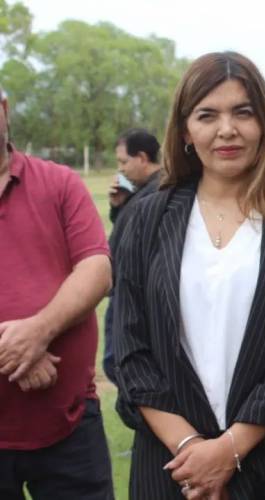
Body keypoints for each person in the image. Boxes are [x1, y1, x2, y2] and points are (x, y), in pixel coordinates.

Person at [113, 51, 265, 499]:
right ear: (185, 132)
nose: (227, 130)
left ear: (264, 124)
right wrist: (193, 451)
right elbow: (130, 351)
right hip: (170, 468)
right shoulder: (144, 218)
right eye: (207, 115)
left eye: (243, 112)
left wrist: (228, 451)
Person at [0, 87, 114, 498]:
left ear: (4, 109)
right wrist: (15, 352)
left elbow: (96, 268)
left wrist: (39, 331)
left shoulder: (59, 183)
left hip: (70, 426)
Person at [102, 128, 162, 383]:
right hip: (125, 291)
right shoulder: (143, 192)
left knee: (123, 366)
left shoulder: (159, 193)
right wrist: (120, 206)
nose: (121, 170)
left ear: (142, 158)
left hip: (134, 298)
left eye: (124, 162)